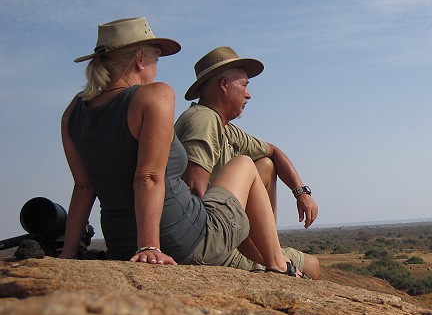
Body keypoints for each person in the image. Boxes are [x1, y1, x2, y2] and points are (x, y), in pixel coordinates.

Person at [58, 17, 303, 277]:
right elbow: (148, 177)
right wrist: (150, 246)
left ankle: (274, 260)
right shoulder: (154, 95)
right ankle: (278, 264)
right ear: (140, 59)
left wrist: (68, 253)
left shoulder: (74, 111)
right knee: (244, 164)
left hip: (121, 244)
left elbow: (83, 187)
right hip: (187, 239)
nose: (156, 68)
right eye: (156, 60)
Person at [175, 46, 320, 279]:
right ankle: (274, 260)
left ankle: (271, 247)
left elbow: (273, 151)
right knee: (312, 267)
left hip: (225, 229)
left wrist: (301, 192)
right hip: (208, 237)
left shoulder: (225, 129)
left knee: (264, 163)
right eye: (244, 85)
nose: (249, 95)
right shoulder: (203, 119)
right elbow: (194, 191)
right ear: (223, 85)